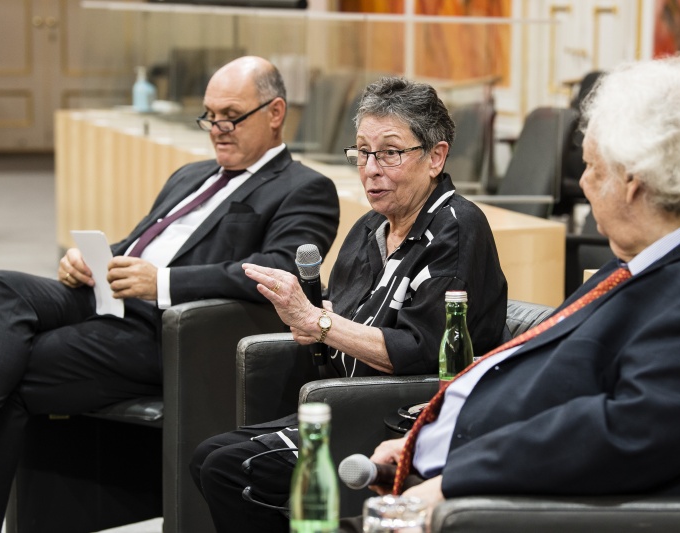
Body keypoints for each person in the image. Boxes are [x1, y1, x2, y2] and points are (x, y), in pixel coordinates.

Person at [354, 56, 680, 525]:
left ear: (634, 182)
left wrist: (454, 479)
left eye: (592, 169)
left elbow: (624, 435)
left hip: (499, 507)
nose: (587, 188)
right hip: (447, 472)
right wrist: (426, 436)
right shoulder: (652, 255)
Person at [0, 56, 341, 530]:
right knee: (1, 285)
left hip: (167, 331)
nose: (216, 128)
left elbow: (281, 268)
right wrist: (91, 259)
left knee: (11, 364)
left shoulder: (305, 188)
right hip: (107, 297)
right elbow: (139, 244)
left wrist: (162, 283)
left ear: (274, 113)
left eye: (230, 116)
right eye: (209, 115)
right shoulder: (190, 175)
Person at [189, 76, 508, 533]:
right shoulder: (368, 229)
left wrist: (317, 321)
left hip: (395, 419)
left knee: (230, 470)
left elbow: (421, 350)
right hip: (341, 399)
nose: (371, 168)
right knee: (206, 458)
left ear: (435, 156)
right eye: (362, 151)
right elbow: (341, 318)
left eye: (390, 153)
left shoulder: (457, 229)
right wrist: (309, 319)